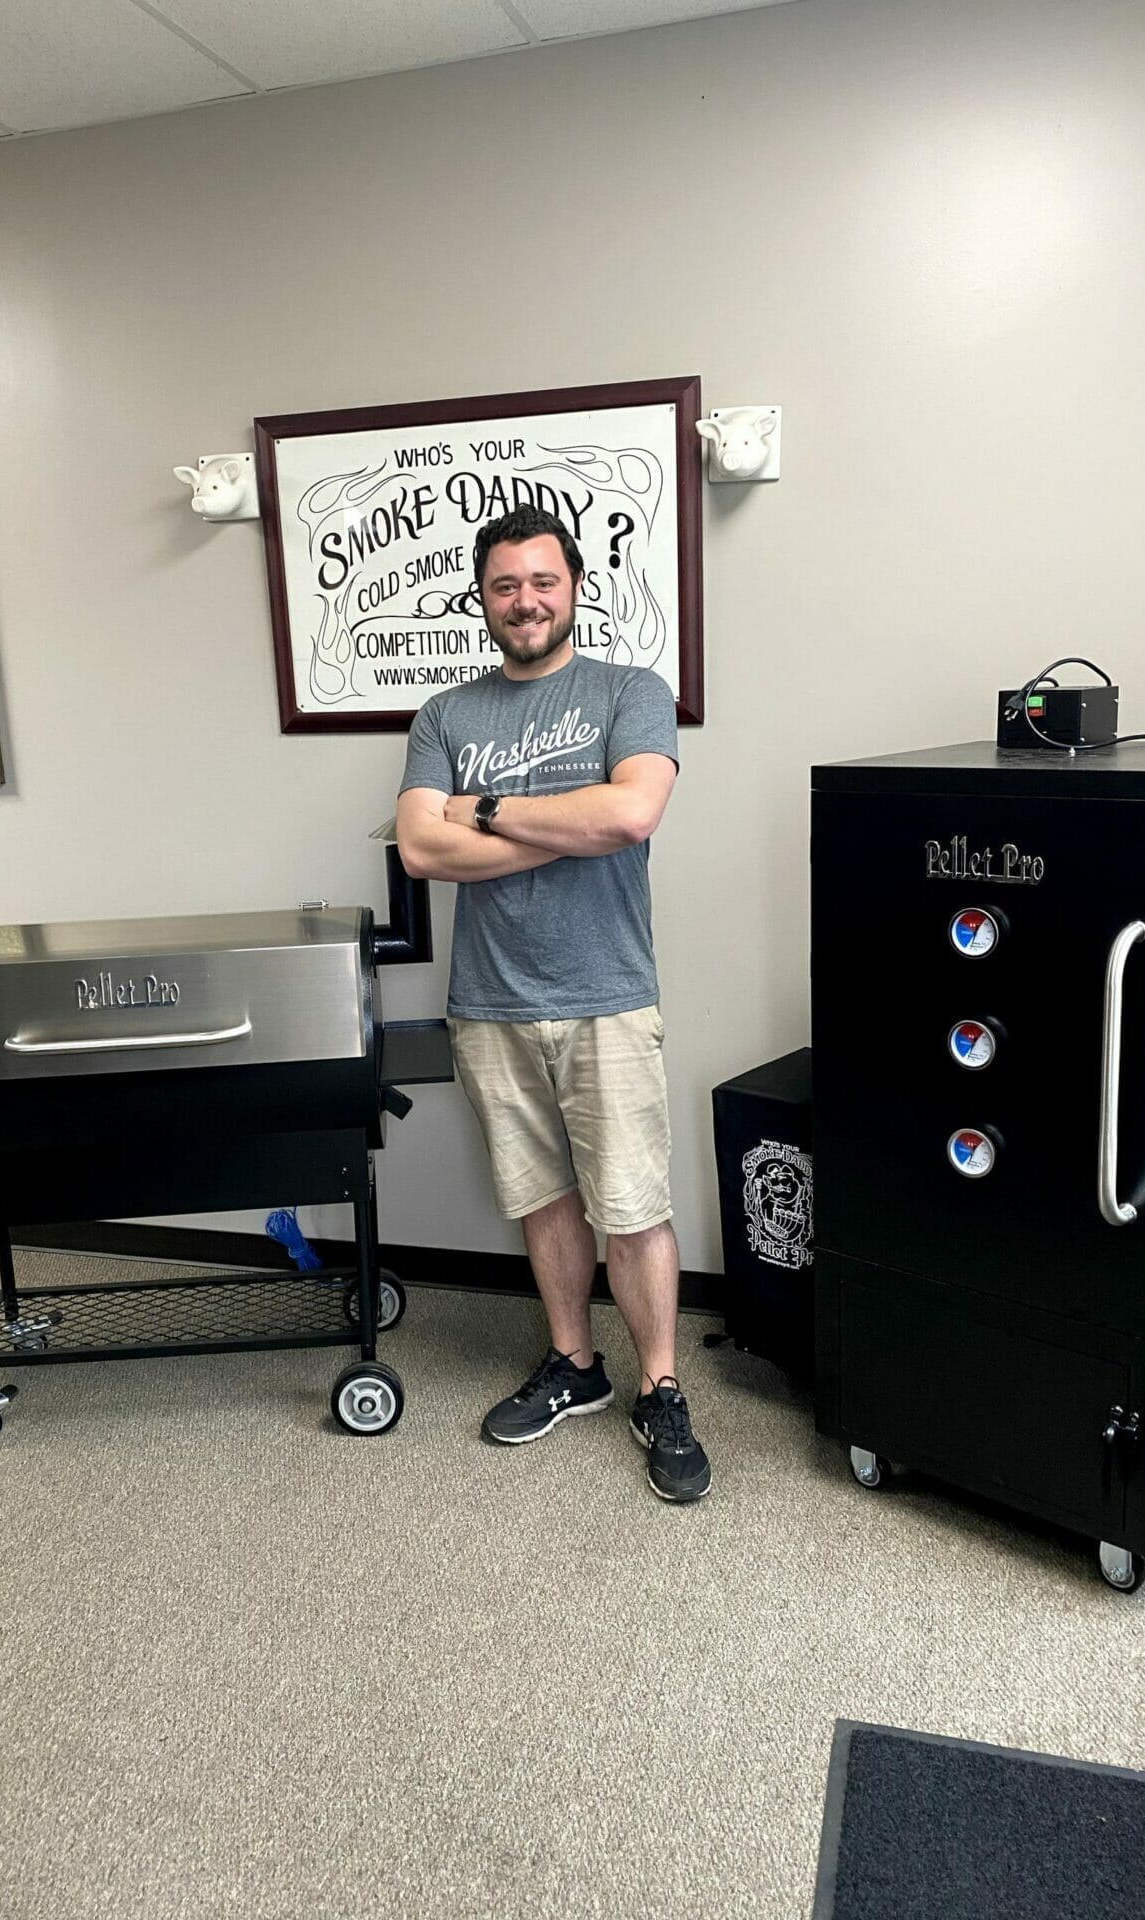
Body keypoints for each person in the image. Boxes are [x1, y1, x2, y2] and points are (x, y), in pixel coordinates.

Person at [395, 504, 711, 1502]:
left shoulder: (631, 690)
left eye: (541, 580)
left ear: (574, 587)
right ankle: (575, 1365)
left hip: (606, 993)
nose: (523, 600)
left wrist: (483, 811)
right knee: (541, 1198)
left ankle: (661, 1386)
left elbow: (630, 811)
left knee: (633, 1207)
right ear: (481, 598)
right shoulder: (446, 716)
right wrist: (568, 824)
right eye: (503, 585)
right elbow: (417, 849)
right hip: (489, 1002)